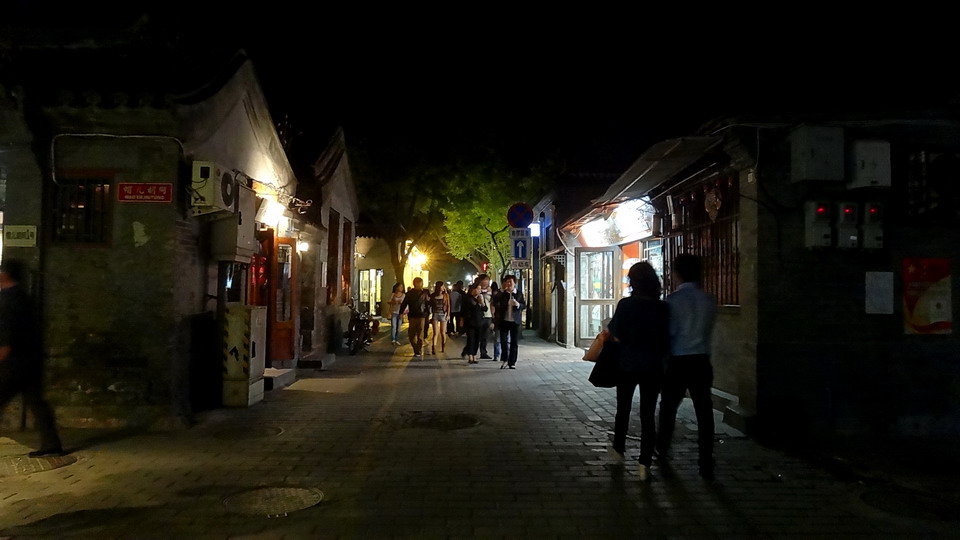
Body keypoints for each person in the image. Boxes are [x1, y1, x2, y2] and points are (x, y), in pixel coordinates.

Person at [606, 261, 669, 481]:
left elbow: (615, 333)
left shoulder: (626, 305)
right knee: (648, 414)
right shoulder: (662, 307)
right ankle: (644, 463)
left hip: (627, 364)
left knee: (623, 409)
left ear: (633, 281)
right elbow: (666, 339)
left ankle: (618, 450)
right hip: (653, 366)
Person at [657, 254, 718, 480]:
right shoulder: (709, 300)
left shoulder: (672, 301)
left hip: (678, 360)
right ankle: (706, 459)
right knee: (704, 411)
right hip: (701, 360)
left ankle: (662, 449)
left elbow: (669, 333)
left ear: (676, 273)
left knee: (668, 407)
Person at [0, 259, 65, 457]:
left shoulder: (7, 299)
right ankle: (52, 443)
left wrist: (3, 355)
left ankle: (52, 444)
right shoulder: (24, 297)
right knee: (37, 402)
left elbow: (7, 334)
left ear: (5, 274)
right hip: (31, 359)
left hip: (14, 362)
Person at [492, 275, 525, 370]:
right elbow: (495, 301)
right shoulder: (503, 294)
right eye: (507, 281)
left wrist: (517, 304)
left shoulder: (518, 294)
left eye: (511, 281)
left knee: (514, 342)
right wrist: (502, 291)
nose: (509, 283)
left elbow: (524, 305)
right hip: (504, 320)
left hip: (515, 321)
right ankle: (505, 359)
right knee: (503, 341)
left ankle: (512, 362)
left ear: (515, 283)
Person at [398, 277, 430, 358]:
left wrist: (428, 314)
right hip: (413, 316)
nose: (421, 285)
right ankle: (416, 349)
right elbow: (404, 303)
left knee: (420, 335)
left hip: (421, 316)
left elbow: (428, 304)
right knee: (411, 335)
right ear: (416, 283)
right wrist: (401, 313)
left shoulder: (424, 293)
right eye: (420, 283)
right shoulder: (410, 294)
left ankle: (418, 350)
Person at [461, 283, 487, 364]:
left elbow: (485, 309)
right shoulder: (468, 298)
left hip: (479, 322)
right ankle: (470, 356)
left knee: (477, 339)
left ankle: (474, 355)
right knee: (471, 339)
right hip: (470, 322)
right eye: (478, 289)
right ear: (473, 289)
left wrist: (482, 302)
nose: (479, 291)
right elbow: (464, 311)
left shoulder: (480, 298)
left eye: (480, 289)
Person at [429, 281, 451, 354]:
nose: (443, 287)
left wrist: (448, 315)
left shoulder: (446, 295)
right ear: (439, 287)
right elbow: (430, 305)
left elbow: (448, 305)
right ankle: (433, 348)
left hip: (443, 314)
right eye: (442, 286)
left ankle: (443, 347)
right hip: (435, 314)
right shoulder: (433, 295)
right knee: (435, 332)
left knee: (442, 332)